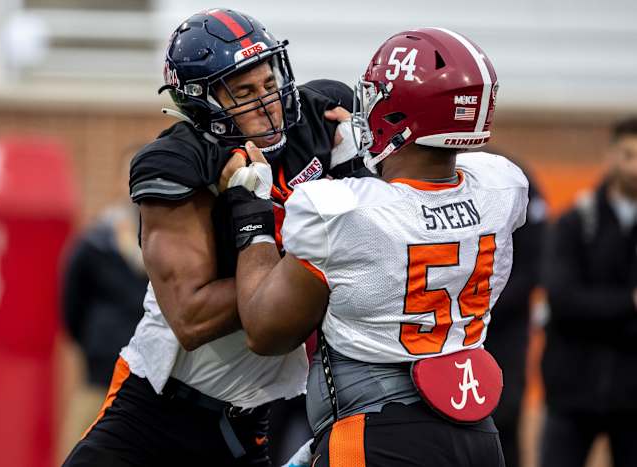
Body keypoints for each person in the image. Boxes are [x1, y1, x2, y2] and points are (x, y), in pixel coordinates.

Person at [63, 8, 364, 467]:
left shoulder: (321, 120)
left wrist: (362, 178)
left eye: (268, 84)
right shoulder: (178, 163)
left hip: (249, 421)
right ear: (203, 105)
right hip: (155, 413)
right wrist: (295, 236)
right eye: (243, 93)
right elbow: (191, 317)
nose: (267, 103)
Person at [221, 28, 528, 466]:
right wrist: (361, 172)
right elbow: (415, 206)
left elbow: (265, 331)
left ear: (401, 115)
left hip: (377, 432)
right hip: (477, 435)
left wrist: (251, 215)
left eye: (376, 96)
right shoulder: (501, 185)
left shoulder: (340, 210)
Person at [540, 117, 637, 467]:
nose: (634, 167)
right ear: (611, 156)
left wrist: (594, 309)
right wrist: (628, 302)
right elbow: (562, 300)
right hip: (570, 393)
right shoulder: (574, 223)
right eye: (628, 155)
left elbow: (577, 305)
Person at [59, 148, 148, 456]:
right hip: (100, 378)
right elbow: (72, 307)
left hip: (150, 386)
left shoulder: (173, 241)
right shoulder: (95, 242)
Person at [482, 153, 547, 467]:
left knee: (504, 416)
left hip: (503, 327)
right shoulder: (438, 171)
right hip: (452, 328)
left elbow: (536, 261)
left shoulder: (513, 178)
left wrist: (482, 304)